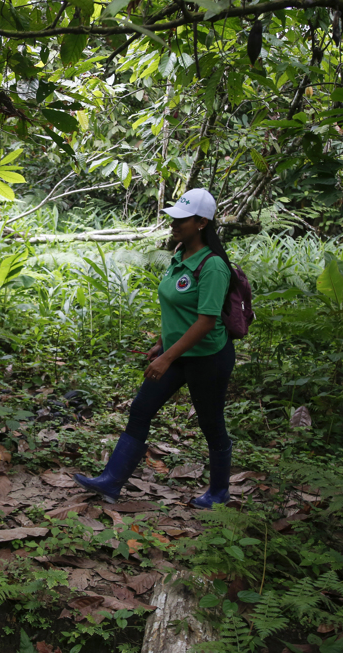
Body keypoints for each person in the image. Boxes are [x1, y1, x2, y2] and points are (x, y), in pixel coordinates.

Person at [75, 188, 236, 509]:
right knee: (141, 409)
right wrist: (162, 344)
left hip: (208, 357)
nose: (173, 223)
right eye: (173, 217)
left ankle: (219, 493)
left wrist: (167, 357)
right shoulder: (180, 255)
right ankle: (111, 481)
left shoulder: (214, 265)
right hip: (176, 353)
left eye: (182, 218)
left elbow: (206, 321)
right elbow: (180, 310)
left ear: (202, 222)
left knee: (211, 424)